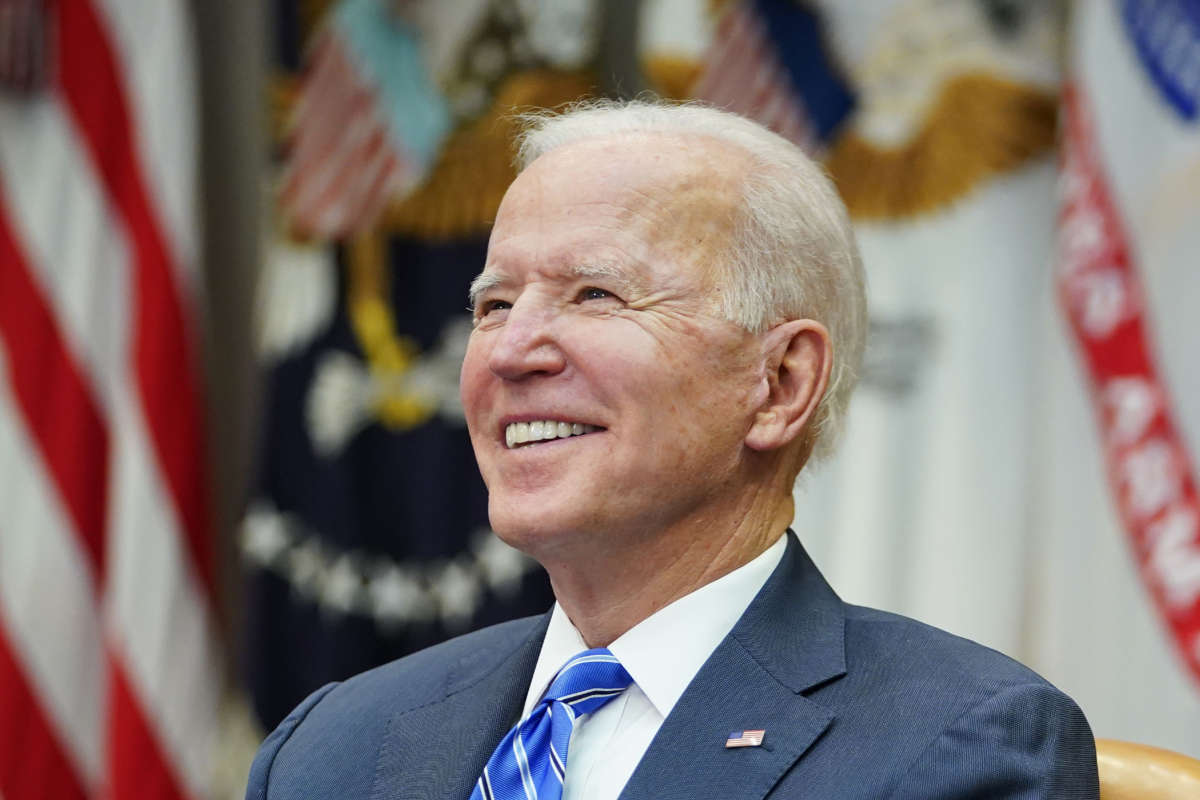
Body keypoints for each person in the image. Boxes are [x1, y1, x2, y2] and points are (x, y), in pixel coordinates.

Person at [245, 100, 1099, 799]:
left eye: (595, 293)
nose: (510, 351)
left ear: (780, 383)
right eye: (495, 304)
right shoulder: (330, 750)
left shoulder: (961, 749)